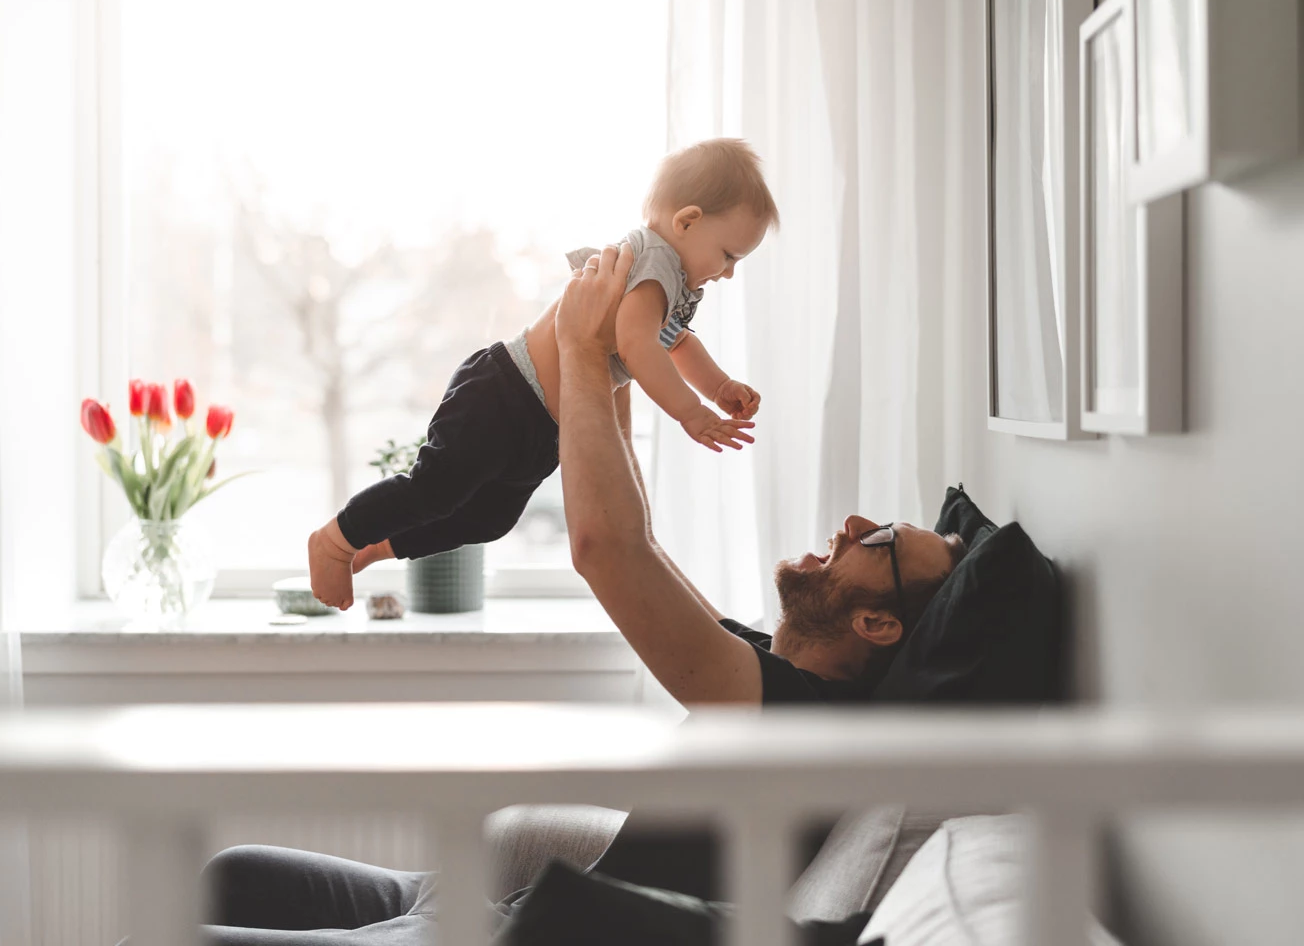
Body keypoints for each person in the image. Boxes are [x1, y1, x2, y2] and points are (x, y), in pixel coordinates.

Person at [198, 245, 968, 944]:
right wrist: (609, 369)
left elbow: (605, 551)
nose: (854, 523)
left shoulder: (804, 723)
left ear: (876, 623)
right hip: (506, 906)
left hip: (514, 939)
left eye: (881, 541)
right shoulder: (764, 666)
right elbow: (643, 547)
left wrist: (574, 343)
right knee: (231, 873)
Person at [306, 138, 780, 611]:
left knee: (489, 519)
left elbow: (676, 342)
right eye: (729, 255)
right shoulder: (653, 260)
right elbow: (638, 347)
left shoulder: (673, 285)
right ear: (688, 220)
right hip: (504, 393)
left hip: (543, 425)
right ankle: (335, 541)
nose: (728, 273)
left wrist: (719, 386)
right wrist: (693, 413)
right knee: (435, 488)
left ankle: (376, 545)